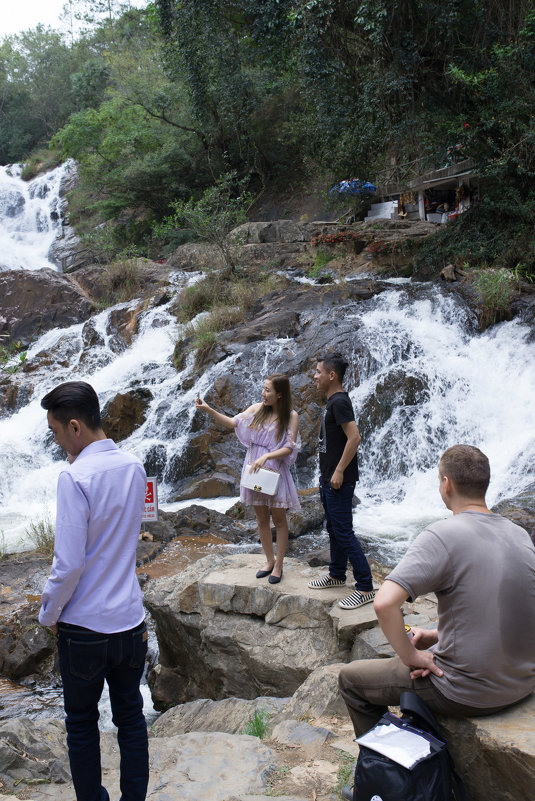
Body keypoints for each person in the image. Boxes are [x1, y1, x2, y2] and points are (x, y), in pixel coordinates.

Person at [339, 444, 535, 740]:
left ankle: (389, 777)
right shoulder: (520, 535)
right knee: (428, 641)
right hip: (522, 682)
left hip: (465, 691)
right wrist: (436, 635)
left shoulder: (442, 534)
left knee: (350, 679)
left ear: (447, 484)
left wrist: (410, 657)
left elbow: (383, 604)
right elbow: (507, 608)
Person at [39, 381, 149, 801]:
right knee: (132, 719)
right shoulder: (134, 467)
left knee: (82, 723)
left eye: (55, 432)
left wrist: (49, 614)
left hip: (83, 627)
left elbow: (68, 565)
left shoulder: (74, 478)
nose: (55, 441)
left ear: (74, 427)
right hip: (129, 621)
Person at [195, 373, 300, 583]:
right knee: (261, 519)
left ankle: (279, 565)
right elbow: (233, 422)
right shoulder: (257, 409)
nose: (263, 393)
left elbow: (289, 447)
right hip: (253, 470)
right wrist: (208, 409)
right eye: (263, 389)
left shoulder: (291, 416)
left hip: (275, 472)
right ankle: (268, 561)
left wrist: (268, 455)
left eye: (268, 390)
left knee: (279, 520)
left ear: (280, 394)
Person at [308, 353, 375, 610]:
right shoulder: (333, 402)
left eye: (318, 371)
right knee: (334, 529)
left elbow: (354, 437)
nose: (315, 376)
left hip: (338, 481)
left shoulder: (339, 402)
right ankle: (336, 574)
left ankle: (365, 586)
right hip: (329, 479)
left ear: (331, 375)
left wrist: (338, 471)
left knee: (344, 532)